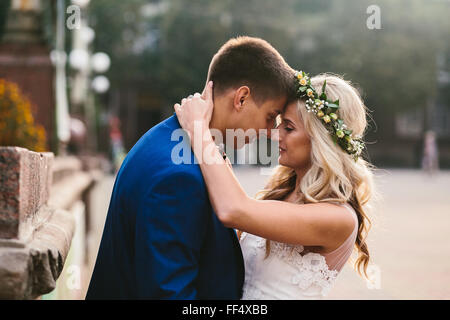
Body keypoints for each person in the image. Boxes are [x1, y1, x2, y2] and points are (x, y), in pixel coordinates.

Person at [86, 36, 296, 299]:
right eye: (269, 117)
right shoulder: (179, 177)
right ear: (241, 98)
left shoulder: (170, 140)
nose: (269, 132)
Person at [174, 72, 376, 299]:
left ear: (321, 140)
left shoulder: (339, 218)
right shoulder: (281, 194)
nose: (274, 135)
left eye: (288, 128)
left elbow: (233, 210)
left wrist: (199, 130)